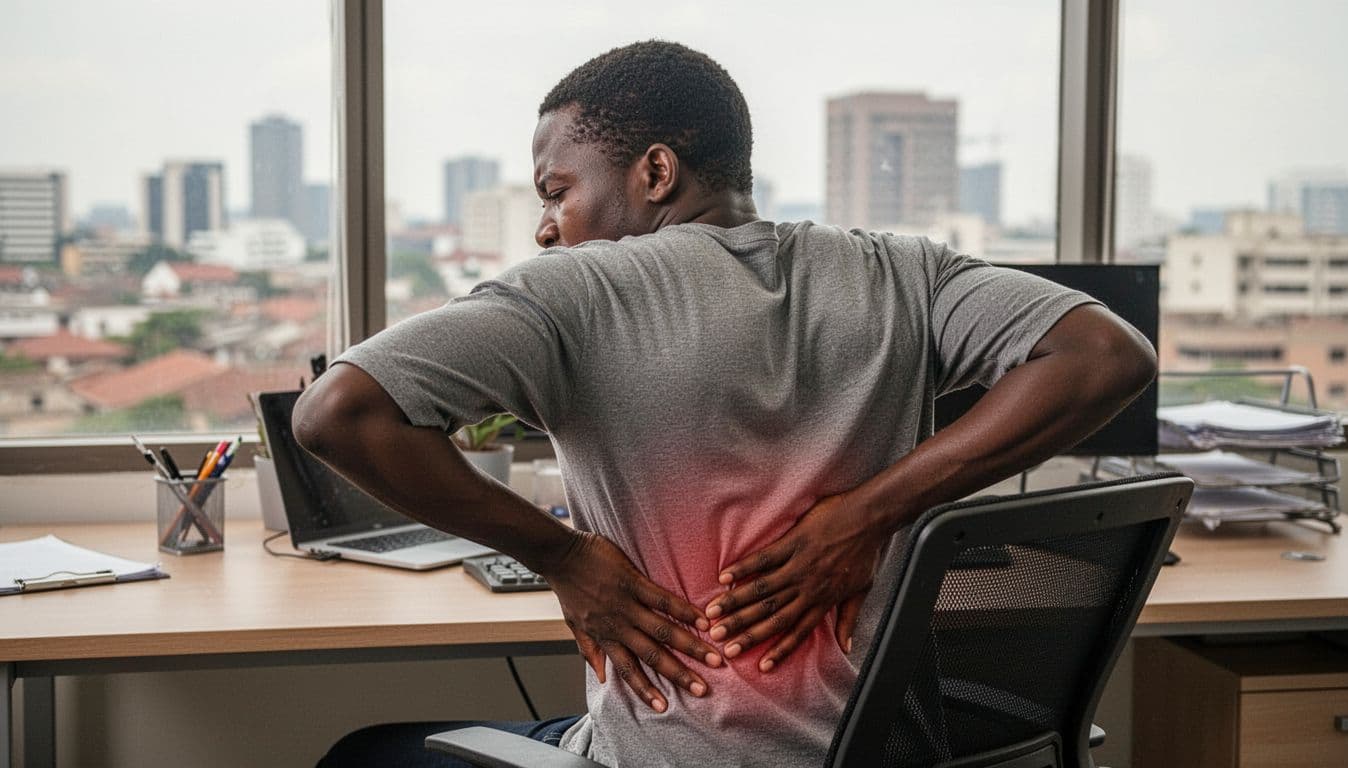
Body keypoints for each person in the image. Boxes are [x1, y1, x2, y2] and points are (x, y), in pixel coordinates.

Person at [298, 40, 1156, 768]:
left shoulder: (576, 293)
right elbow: (1104, 355)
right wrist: (866, 516)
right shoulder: (901, 272)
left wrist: (562, 557)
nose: (546, 227)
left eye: (558, 191)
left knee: (364, 753)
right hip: (891, 750)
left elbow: (338, 413)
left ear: (657, 171)